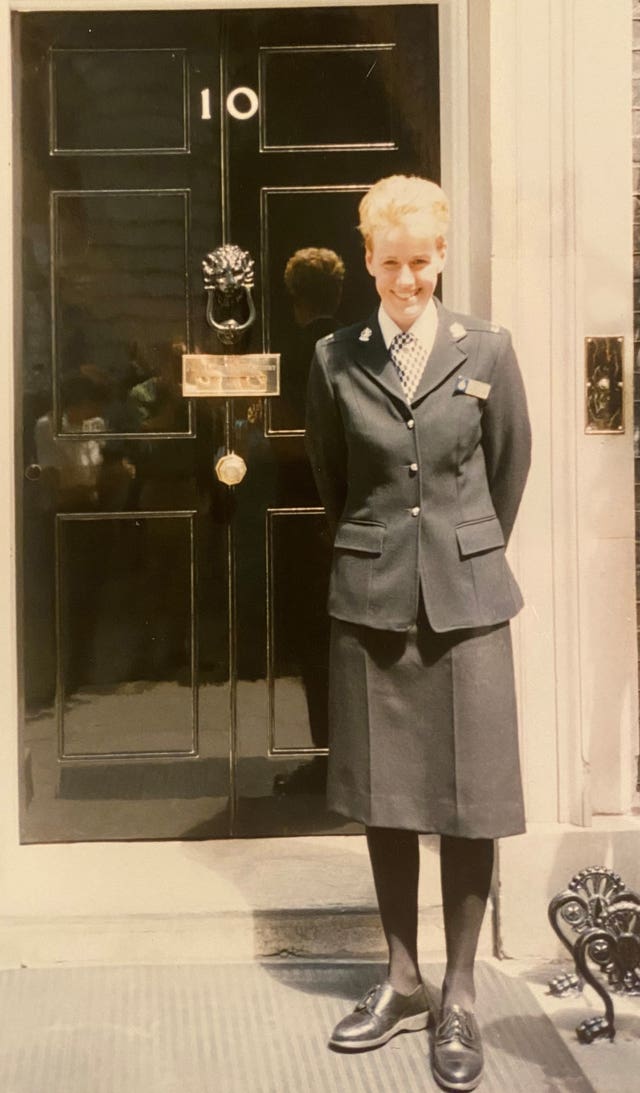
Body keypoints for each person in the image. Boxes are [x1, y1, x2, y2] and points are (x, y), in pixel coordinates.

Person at [305, 175, 531, 1091]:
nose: (407, 280)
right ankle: (400, 976)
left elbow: (507, 470)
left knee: (469, 797)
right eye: (390, 263)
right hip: (372, 596)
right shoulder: (334, 357)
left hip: (468, 601)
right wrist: (387, 555)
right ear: (367, 260)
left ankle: (461, 991)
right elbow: (333, 478)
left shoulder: (489, 347)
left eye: (422, 262)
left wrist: (459, 556)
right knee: (387, 793)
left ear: (444, 257)